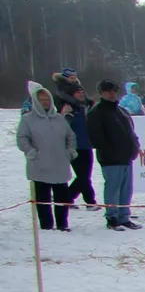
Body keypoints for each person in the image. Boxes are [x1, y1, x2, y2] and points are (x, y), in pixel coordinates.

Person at [17, 81, 77, 232]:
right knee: (43, 199)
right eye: (42, 100)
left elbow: (71, 137)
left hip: (60, 164)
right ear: (36, 101)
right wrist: (31, 152)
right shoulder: (27, 119)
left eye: (47, 99)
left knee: (62, 197)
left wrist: (70, 152)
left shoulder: (59, 118)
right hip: (39, 165)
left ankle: (62, 224)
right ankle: (46, 226)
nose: (45, 102)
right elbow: (22, 138)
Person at [87, 80, 141, 231]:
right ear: (102, 93)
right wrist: (111, 150)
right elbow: (96, 137)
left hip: (126, 157)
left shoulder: (121, 111)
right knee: (113, 189)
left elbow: (131, 131)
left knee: (126, 189)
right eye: (108, 91)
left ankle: (124, 216)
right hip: (111, 159)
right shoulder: (96, 113)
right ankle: (112, 217)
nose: (111, 93)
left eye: (113, 90)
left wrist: (134, 146)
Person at [50, 72, 99, 211]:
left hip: (87, 145)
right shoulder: (69, 109)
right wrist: (65, 115)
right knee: (83, 176)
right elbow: (60, 126)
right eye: (78, 93)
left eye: (82, 92)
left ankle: (67, 198)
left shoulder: (86, 107)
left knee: (85, 175)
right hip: (74, 147)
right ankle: (90, 201)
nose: (81, 94)